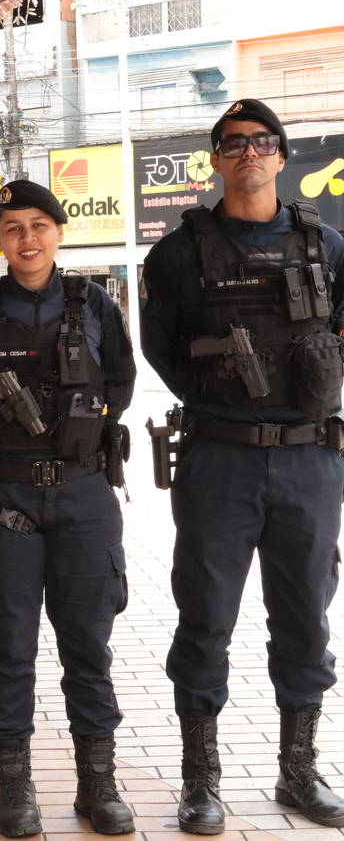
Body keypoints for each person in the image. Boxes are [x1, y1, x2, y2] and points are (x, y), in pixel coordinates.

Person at [141, 98, 344, 833]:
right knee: (205, 621)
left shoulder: (328, 247)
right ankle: (201, 781)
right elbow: (161, 347)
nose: (248, 153)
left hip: (310, 462)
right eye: (233, 144)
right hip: (219, 460)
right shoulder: (177, 253)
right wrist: (223, 403)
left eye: (261, 142)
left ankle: (297, 771)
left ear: (282, 156)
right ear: (217, 160)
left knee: (306, 622)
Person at [0, 180, 136, 837]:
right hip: (4, 497)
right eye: (13, 226)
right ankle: (16, 793)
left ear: (58, 231)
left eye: (39, 225)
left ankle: (97, 787)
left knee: (88, 647)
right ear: (0, 238)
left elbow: (123, 384)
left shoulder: (95, 304)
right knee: (12, 650)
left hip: (82, 493)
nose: (27, 238)